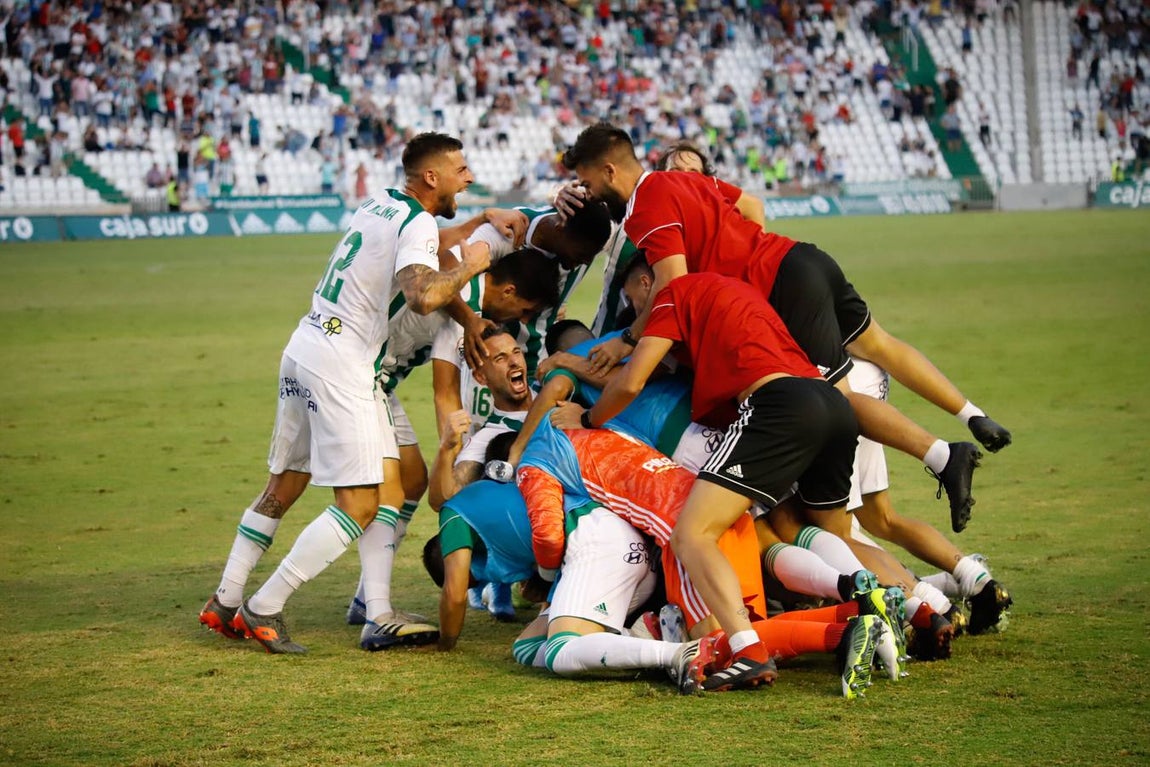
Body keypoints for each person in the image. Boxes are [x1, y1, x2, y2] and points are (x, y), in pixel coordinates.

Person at [562, 124, 1005, 534]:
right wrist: (749, 253)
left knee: (836, 399)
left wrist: (629, 338)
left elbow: (672, 284)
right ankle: (972, 414)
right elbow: (752, 206)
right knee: (880, 344)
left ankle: (944, 456)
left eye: (588, 180)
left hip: (779, 287)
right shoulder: (676, 180)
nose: (590, 190)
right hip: (800, 259)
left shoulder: (644, 209)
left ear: (608, 169)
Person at [198, 133, 490, 654]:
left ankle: (226, 598)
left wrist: (463, 262)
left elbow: (411, 255)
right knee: (359, 505)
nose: (468, 177)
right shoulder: (418, 221)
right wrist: (473, 262)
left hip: (306, 345)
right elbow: (423, 294)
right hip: (344, 367)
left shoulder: (380, 201)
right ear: (431, 177)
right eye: (461, 170)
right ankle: (264, 607)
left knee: (293, 485)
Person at [571, 267, 860, 691]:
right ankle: (907, 605)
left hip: (777, 404)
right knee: (819, 534)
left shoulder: (672, 296)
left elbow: (631, 382)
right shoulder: (732, 291)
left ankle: (748, 652)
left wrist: (587, 417)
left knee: (691, 535)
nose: (634, 313)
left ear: (649, 283)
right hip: (832, 402)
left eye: (633, 298)